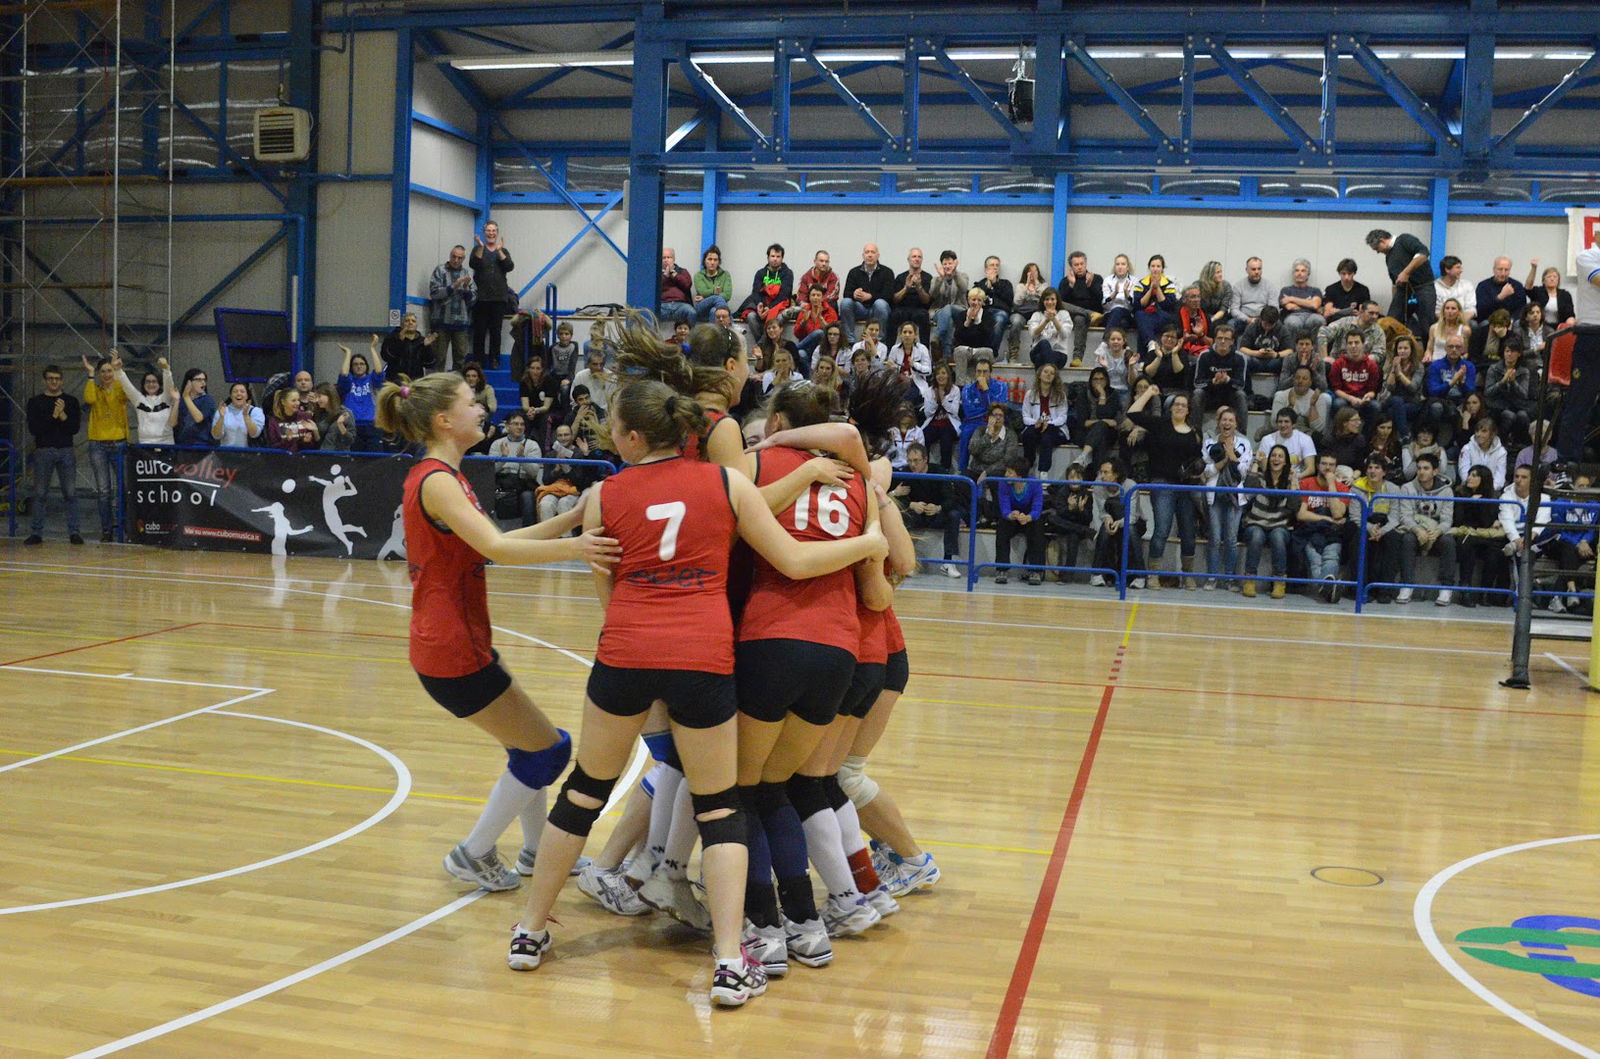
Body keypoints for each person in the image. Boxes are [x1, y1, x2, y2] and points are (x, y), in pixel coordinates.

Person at [509, 378, 886, 1006]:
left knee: (582, 792)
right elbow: (793, 562)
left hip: (626, 651)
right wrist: (867, 543)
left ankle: (527, 930)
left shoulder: (604, 494)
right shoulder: (728, 483)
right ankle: (730, 961)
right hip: (703, 656)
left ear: (632, 436)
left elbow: (609, 593)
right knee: (720, 807)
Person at [1127, 384, 1202, 589]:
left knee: (1188, 532)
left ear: (1188, 411)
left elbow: (1198, 460)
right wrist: (1150, 393)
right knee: (1161, 529)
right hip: (1161, 482)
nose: (1179, 407)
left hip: (1186, 487)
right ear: (1170, 408)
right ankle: (1153, 574)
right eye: (1176, 404)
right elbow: (1132, 413)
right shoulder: (1160, 425)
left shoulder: (1195, 433)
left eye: (1183, 405)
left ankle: (1188, 574)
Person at [24, 364, 83, 545]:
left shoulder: (71, 401)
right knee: (40, 493)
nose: (54, 382)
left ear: (62, 380)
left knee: (71, 493)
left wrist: (62, 415)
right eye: (50, 379)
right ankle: (36, 532)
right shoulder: (35, 402)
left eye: (57, 379)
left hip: (66, 449)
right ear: (45, 381)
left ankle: (74, 532)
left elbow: (74, 428)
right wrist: (53, 416)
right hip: (43, 450)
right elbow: (35, 429)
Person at [893, 442, 964, 577]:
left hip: (935, 514)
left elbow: (952, 498)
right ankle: (907, 561)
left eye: (916, 461)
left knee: (954, 515)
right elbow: (897, 498)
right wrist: (911, 504)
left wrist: (939, 508)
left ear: (925, 460)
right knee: (899, 516)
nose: (912, 465)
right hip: (916, 514)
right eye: (909, 461)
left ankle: (948, 562)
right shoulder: (905, 473)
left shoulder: (939, 472)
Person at [1396, 451, 1458, 605]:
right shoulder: (1407, 488)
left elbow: (1447, 520)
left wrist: (1436, 532)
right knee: (1408, 539)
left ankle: (1446, 588)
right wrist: (1418, 530)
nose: (1421, 472)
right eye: (1419, 468)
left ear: (1435, 471)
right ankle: (1407, 585)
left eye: (1426, 468)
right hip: (1416, 530)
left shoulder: (1446, 491)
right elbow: (1405, 516)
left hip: (1435, 531)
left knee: (1448, 541)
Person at [79, 352, 129, 540]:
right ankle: (107, 530)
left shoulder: (119, 389)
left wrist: (119, 371)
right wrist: (90, 374)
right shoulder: (95, 389)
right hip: (98, 445)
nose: (107, 374)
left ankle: (125, 527)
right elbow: (89, 399)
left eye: (109, 371)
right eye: (103, 372)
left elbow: (128, 393)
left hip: (119, 444)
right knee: (103, 491)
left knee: (123, 489)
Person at [1201, 408, 1253, 589]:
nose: (1227, 424)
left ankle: (1229, 578)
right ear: (1219, 422)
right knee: (1214, 538)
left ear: (1236, 424)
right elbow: (1206, 472)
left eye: (1231, 420)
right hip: (1214, 495)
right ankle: (1212, 577)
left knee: (1231, 538)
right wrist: (1223, 461)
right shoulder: (1209, 443)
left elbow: (1244, 472)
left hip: (1235, 496)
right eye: (1224, 420)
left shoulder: (1244, 444)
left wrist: (1230, 452)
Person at [1240, 443, 1296, 598]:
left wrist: (1295, 482)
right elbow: (1247, 488)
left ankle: (1279, 582)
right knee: (1257, 536)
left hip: (1279, 525)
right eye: (1273, 455)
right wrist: (1256, 463)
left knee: (1278, 537)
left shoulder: (1289, 481)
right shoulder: (1261, 476)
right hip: (1256, 523)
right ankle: (1249, 579)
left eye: (1280, 456)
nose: (1276, 459)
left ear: (1285, 462)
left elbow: (1294, 507)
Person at [1296, 452, 1351, 603]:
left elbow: (1338, 513)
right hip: (1311, 532)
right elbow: (1301, 514)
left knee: (1331, 557)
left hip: (1332, 533)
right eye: (1324, 464)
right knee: (1315, 561)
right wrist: (1326, 518)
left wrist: (1332, 484)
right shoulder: (1306, 484)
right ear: (1318, 465)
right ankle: (1329, 587)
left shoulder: (1342, 488)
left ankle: (1326, 588)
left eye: (1331, 465)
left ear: (1336, 468)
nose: (1327, 468)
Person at [1352, 455, 1404, 603]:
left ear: (1384, 472)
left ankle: (1385, 590)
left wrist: (1382, 531)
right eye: (1370, 468)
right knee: (1358, 538)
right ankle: (1361, 589)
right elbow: (1355, 515)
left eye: (1377, 468)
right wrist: (1369, 528)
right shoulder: (1357, 487)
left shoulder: (1393, 489)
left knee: (1394, 538)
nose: (1372, 471)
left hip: (1385, 526)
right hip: (1364, 524)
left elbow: (1395, 516)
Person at [1449, 464, 1503, 607]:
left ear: (1483, 479)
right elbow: (1459, 520)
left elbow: (1486, 522)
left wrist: (1481, 504)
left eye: (1474, 475)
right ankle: (1464, 590)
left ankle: (1484, 592)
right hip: (1465, 532)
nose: (1469, 478)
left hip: (1483, 533)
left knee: (1494, 550)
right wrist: (1472, 502)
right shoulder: (1460, 493)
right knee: (1467, 545)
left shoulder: (1491, 496)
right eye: (1469, 474)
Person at [1089, 457, 1147, 588]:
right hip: (1112, 519)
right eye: (1101, 472)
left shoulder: (1130, 486)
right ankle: (1096, 574)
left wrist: (1119, 523)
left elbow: (1133, 516)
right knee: (1104, 530)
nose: (1102, 476)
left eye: (1106, 472)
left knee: (1130, 530)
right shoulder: (1098, 485)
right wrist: (1107, 519)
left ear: (1116, 474)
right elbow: (1102, 510)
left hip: (1134, 521)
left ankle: (1140, 575)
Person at [1545, 471, 1597, 613]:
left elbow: (1592, 530)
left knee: (1572, 556)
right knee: (1568, 549)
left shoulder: (1595, 506)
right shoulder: (1560, 503)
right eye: (1581, 485)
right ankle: (1572, 590)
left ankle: (1556, 598)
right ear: (1573, 487)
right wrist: (1578, 543)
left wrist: (1585, 541)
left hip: (1582, 548)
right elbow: (1559, 530)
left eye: (1587, 486)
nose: (1584, 489)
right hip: (1558, 544)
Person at [1366, 228, 1435, 333]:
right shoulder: (1388, 257)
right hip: (1404, 292)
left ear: (1382, 240)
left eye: (1377, 248)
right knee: (1391, 322)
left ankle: (1428, 349)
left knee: (1426, 325)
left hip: (1424, 288)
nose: (1377, 252)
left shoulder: (1404, 240)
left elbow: (1423, 253)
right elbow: (1395, 282)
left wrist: (1406, 272)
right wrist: (1395, 300)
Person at [469, 220, 515, 368]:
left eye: (493, 230)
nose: (491, 233)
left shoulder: (503, 251)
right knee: (479, 331)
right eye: (488, 230)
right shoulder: (477, 249)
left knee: (496, 331)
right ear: (484, 233)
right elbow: (474, 264)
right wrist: (481, 247)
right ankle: (478, 360)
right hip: (481, 298)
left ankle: (495, 359)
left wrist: (499, 250)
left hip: (499, 298)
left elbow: (509, 266)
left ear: (497, 232)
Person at [993, 458, 1044, 585]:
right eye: (1006, 471)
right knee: (1002, 527)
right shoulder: (1003, 483)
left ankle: (1036, 570)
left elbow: (1037, 507)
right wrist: (1010, 515)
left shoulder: (1035, 483)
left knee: (1037, 528)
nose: (1006, 475)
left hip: (1029, 518)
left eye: (1010, 472)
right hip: (1013, 517)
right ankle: (1001, 569)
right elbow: (1004, 507)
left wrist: (1028, 517)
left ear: (1019, 474)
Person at [490, 411, 542, 527]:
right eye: (516, 424)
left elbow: (534, 473)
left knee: (528, 497)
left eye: (522, 424)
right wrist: (503, 458)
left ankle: (529, 535)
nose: (519, 427)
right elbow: (491, 471)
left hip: (524, 484)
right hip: (501, 482)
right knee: (485, 491)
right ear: (507, 426)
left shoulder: (532, 445)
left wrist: (522, 459)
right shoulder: (497, 444)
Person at [427, 245, 475, 371]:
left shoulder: (467, 273)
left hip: (461, 323)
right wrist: (453, 286)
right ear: (450, 255)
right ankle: (438, 387)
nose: (456, 260)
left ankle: (456, 387)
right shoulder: (440, 270)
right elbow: (434, 293)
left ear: (463, 259)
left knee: (461, 359)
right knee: (439, 358)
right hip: (441, 321)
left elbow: (473, 299)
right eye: (454, 256)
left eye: (460, 258)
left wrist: (466, 289)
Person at [112, 356, 178, 445]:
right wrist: (118, 370)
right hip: (145, 444)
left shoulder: (166, 398)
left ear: (159, 384)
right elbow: (127, 386)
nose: (151, 384)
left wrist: (166, 369)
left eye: (154, 381)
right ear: (143, 384)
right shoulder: (138, 399)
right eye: (148, 382)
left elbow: (169, 385)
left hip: (167, 443)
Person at [1328, 329, 1384, 431]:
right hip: (1345, 398)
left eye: (1357, 342)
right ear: (1346, 345)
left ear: (1363, 344)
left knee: (1376, 406)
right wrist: (1351, 398)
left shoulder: (1371, 365)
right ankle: (1338, 434)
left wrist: (1367, 397)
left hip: (1363, 399)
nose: (1353, 346)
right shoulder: (1338, 363)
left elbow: (1372, 391)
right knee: (1338, 404)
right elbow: (1336, 389)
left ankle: (1366, 438)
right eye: (1350, 343)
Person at [958, 358, 1007, 470]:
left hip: (996, 422)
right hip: (973, 423)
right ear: (975, 373)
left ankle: (997, 471)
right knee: (966, 433)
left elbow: (998, 410)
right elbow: (969, 413)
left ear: (990, 373)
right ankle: (962, 470)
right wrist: (988, 411)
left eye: (985, 371)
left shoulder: (1001, 387)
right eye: (979, 371)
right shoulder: (967, 390)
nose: (981, 375)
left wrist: (986, 390)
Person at [1192, 324, 1247, 425]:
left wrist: (1227, 380)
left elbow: (1241, 385)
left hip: (1229, 395)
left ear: (1232, 341)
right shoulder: (1204, 356)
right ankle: (1195, 432)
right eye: (1220, 338)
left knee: (1241, 395)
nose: (1222, 341)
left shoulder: (1239, 357)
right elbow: (1197, 383)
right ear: (1214, 340)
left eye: (1226, 339)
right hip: (1210, 394)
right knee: (1197, 393)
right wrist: (1212, 381)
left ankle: (1242, 435)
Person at [1424, 334, 1477, 438]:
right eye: (1450, 346)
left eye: (1458, 347)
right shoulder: (1436, 365)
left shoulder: (1468, 366)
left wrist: (1462, 383)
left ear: (1462, 349)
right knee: (1436, 407)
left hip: (1461, 400)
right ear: (1445, 348)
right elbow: (1433, 391)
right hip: (1442, 400)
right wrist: (1452, 382)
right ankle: (1434, 435)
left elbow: (1471, 392)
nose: (1454, 349)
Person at [1020, 361, 1069, 473]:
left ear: (1055, 377)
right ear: (1039, 375)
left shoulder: (1061, 395)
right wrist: (1036, 422)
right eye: (1046, 372)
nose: (1048, 374)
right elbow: (1025, 416)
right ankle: (1028, 468)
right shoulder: (1030, 394)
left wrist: (1049, 423)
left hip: (1055, 428)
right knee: (1028, 435)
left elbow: (1062, 417)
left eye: (1052, 373)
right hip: (1036, 426)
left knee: (1047, 437)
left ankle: (1043, 472)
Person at [1055, 251, 1103, 362]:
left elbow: (1102, 301)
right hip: (1073, 315)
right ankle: (1089, 314)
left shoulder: (1096, 279)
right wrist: (1070, 286)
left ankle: (1077, 357)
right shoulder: (1065, 281)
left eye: (1082, 264)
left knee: (1080, 318)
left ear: (1086, 264)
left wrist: (1090, 286)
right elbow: (1060, 304)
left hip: (1093, 314)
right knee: (1058, 302)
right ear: (1071, 267)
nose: (1080, 267)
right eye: (1076, 265)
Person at [840, 243, 894, 342]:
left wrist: (870, 296)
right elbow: (846, 293)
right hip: (860, 309)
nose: (869, 255)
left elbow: (889, 296)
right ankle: (849, 341)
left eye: (873, 252)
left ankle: (879, 341)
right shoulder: (854, 272)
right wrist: (854, 294)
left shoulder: (887, 272)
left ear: (878, 255)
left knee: (881, 303)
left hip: (878, 310)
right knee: (845, 302)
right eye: (867, 252)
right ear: (863, 255)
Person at [337, 341, 385, 451]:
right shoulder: (348, 381)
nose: (359, 366)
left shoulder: (372, 380)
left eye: (362, 364)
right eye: (355, 364)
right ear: (351, 367)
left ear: (366, 366)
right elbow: (344, 373)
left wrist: (372, 348)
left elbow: (378, 371)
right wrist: (348, 353)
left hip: (372, 425)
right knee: (355, 460)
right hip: (352, 425)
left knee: (374, 458)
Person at [1485, 342, 1534, 446]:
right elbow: (1488, 392)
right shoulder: (1494, 369)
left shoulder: (1524, 371)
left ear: (1519, 354)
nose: (1509, 354)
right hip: (1498, 405)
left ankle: (1519, 444)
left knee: (1523, 416)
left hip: (1516, 405)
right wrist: (1502, 382)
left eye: (1513, 351)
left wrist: (1513, 382)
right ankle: (1501, 443)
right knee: (1509, 415)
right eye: (1507, 351)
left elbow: (1524, 394)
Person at [738, 243, 795, 332]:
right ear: (768, 257)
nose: (775, 259)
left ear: (782, 258)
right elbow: (756, 292)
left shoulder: (788, 273)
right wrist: (760, 306)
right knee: (751, 316)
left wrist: (770, 308)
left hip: (778, 306)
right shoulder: (760, 273)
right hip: (762, 306)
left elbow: (784, 295)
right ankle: (764, 343)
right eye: (772, 256)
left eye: (778, 256)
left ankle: (762, 344)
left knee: (779, 318)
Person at [1076, 364, 1123, 470]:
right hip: (1086, 432)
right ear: (1091, 381)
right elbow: (1082, 422)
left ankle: (1084, 455)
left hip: (1109, 433)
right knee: (1100, 436)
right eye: (1095, 379)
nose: (1098, 382)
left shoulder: (1113, 394)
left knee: (1102, 431)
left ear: (1106, 381)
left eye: (1102, 379)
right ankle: (1098, 475)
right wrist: (1103, 421)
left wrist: (1102, 395)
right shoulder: (1083, 395)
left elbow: (1113, 420)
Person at [1271, 363, 1333, 439]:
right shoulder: (1281, 396)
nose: (1300, 381)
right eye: (1297, 378)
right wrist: (1290, 405)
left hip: (1308, 435)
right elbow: (1275, 424)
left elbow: (1318, 429)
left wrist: (1312, 405)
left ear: (1310, 382)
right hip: (1285, 434)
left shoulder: (1318, 398)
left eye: (1304, 378)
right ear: (1293, 380)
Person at [1132, 254, 1179, 351]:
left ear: (1162, 269)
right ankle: (1150, 343)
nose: (1155, 269)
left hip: (1163, 315)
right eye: (1153, 266)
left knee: (1144, 325)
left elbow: (1167, 305)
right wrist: (1150, 289)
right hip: (1146, 315)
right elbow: (1139, 305)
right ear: (1149, 268)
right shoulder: (1141, 283)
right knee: (1140, 315)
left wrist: (1157, 288)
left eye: (1158, 266)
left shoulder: (1169, 284)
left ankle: (1147, 349)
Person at [887, 247, 933, 343]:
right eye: (914, 256)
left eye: (919, 257)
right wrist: (906, 288)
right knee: (893, 315)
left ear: (922, 260)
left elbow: (927, 301)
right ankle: (889, 351)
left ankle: (924, 351)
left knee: (924, 316)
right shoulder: (900, 277)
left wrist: (919, 287)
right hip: (902, 309)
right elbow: (895, 299)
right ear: (908, 259)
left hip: (920, 309)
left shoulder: (928, 277)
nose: (917, 259)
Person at [927, 250, 969, 354]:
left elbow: (963, 289)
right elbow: (932, 294)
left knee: (949, 308)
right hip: (939, 312)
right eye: (945, 264)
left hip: (959, 310)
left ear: (955, 263)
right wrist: (941, 279)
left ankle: (937, 336)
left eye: (950, 263)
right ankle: (947, 353)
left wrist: (955, 275)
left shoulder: (963, 276)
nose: (947, 266)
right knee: (948, 319)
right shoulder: (936, 279)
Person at [1256, 408, 1316, 479]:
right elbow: (1265, 467)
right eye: (1280, 422)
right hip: (1272, 479)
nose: (1283, 425)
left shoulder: (1305, 439)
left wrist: (1295, 477)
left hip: (1297, 479)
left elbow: (1311, 468)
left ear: (1293, 424)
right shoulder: (1267, 439)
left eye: (1286, 421)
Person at [922, 362, 961, 467]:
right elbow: (927, 413)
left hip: (949, 423)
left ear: (948, 375)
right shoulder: (929, 391)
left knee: (946, 438)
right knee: (924, 436)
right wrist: (935, 400)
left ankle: (946, 471)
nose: (941, 376)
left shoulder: (955, 390)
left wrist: (943, 400)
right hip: (933, 422)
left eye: (943, 373)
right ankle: (924, 468)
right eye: (938, 374)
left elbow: (954, 411)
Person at [380, 312, 439, 381]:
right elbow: (386, 357)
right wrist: (399, 341)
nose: (410, 323)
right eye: (407, 321)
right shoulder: (392, 338)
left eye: (413, 321)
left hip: (415, 381)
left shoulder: (422, 341)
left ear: (416, 325)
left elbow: (430, 364)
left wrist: (427, 347)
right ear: (402, 324)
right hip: (395, 381)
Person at [973, 255, 1014, 354]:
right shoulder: (979, 284)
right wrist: (988, 286)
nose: (995, 267)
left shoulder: (1006, 284)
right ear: (986, 269)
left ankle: (992, 353)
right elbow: (974, 299)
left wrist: (995, 283)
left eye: (997, 265)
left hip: (1000, 312)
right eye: (992, 265)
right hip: (983, 312)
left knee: (999, 319)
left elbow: (1009, 300)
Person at [950, 287, 995, 376]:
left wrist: (978, 321)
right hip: (965, 349)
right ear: (968, 300)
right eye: (973, 300)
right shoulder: (962, 315)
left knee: (985, 352)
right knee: (960, 351)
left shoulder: (988, 315)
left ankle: (983, 383)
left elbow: (988, 337)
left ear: (983, 302)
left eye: (979, 300)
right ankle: (961, 384)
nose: (976, 303)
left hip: (982, 348)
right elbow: (957, 337)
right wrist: (967, 322)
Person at [1277, 258, 1324, 342]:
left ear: (1308, 274)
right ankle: (1292, 352)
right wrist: (1308, 304)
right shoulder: (1286, 290)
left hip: (1311, 316)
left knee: (1319, 320)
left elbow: (1315, 305)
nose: (1299, 273)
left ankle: (1315, 353)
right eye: (1297, 270)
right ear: (1293, 273)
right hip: (1293, 316)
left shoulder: (1315, 290)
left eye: (1303, 271)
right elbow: (1290, 307)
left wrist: (1292, 298)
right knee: (1293, 323)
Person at [1026, 287, 1073, 369]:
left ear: (1057, 300)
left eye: (1052, 299)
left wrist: (1054, 319)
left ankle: (1041, 380)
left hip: (1059, 353)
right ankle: (1054, 378)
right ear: (1043, 301)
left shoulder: (1064, 314)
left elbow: (1065, 334)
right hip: (1037, 350)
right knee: (1044, 343)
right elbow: (1033, 334)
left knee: (1039, 359)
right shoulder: (1036, 315)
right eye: (1047, 299)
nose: (1050, 302)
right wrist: (1046, 321)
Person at [519, 356, 562, 445]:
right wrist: (530, 411)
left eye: (538, 368)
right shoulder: (524, 382)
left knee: (546, 419)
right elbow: (525, 405)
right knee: (519, 416)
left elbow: (546, 407)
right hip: (533, 410)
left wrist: (535, 411)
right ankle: (522, 446)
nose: (535, 371)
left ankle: (544, 450)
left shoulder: (549, 381)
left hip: (551, 411)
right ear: (528, 369)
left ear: (542, 369)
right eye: (532, 368)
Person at [1007, 262, 1047, 358]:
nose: (1033, 273)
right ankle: (1013, 352)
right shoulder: (1021, 286)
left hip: (1037, 312)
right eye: (1030, 271)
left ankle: (1037, 351)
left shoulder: (1043, 285)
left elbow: (1044, 298)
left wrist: (1036, 285)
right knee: (1016, 322)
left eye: (1035, 271)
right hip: (1021, 312)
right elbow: (1017, 302)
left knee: (1042, 323)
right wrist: (1027, 286)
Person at [1457, 416, 1508, 491]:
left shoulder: (1501, 452)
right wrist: (1474, 487)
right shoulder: (1467, 448)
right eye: (1477, 431)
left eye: (1484, 431)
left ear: (1493, 434)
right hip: (1469, 489)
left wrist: (1487, 490)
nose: (1478, 434)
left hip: (1491, 491)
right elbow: (1464, 473)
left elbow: (1500, 477)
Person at [1228, 256, 1277, 331]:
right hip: (1243, 319)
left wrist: (1263, 320)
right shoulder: (1238, 286)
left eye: (1259, 269)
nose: (1257, 272)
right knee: (1230, 324)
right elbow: (1234, 309)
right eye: (1253, 269)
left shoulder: (1269, 286)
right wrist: (1248, 319)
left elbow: (1274, 308)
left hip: (1264, 320)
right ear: (1246, 270)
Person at [793, 285, 840, 363]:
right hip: (807, 347)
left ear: (822, 298)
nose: (815, 298)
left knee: (819, 333)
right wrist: (803, 323)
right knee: (801, 354)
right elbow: (797, 334)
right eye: (813, 295)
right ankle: (808, 374)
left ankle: (792, 349)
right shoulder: (805, 310)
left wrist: (821, 318)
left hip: (824, 347)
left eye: (818, 295)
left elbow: (832, 333)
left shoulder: (830, 311)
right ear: (809, 297)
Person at [1475, 256, 1527, 325]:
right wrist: (1500, 297)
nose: (1503, 273)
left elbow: (1521, 308)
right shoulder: (1483, 286)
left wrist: (1511, 320)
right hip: (1489, 320)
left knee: (1519, 324)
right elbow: (1481, 310)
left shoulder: (1517, 286)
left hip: (1511, 320)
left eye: (1506, 270)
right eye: (1500, 269)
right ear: (1494, 270)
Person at [211, 381, 264, 448]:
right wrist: (221, 417)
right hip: (226, 454)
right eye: (235, 391)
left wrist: (246, 416)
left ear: (247, 396)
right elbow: (216, 436)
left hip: (250, 455)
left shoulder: (256, 411)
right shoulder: (222, 410)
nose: (238, 394)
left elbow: (255, 434)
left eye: (242, 391)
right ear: (230, 396)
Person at [265, 387, 319, 453]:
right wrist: (287, 440)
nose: (297, 403)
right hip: (281, 459)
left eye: (298, 400)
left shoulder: (306, 417)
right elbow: (273, 447)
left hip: (303, 459)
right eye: (293, 400)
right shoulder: (274, 421)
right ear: (283, 402)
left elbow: (313, 446)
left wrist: (306, 442)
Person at [691, 244, 734, 322]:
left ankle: (715, 334)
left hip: (717, 306)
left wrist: (706, 297)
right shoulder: (698, 275)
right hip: (702, 307)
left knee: (714, 311)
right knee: (717, 298)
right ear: (705, 261)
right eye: (709, 259)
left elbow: (727, 295)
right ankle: (732, 324)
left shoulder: (725, 274)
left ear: (719, 262)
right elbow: (702, 291)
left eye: (715, 260)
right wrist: (714, 292)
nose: (712, 262)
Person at [1524, 260, 1574, 327]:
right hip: (1540, 326)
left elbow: (1570, 314)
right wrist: (1534, 268)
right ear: (1543, 280)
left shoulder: (1565, 295)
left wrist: (1570, 322)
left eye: (1555, 277)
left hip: (1559, 328)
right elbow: (1528, 286)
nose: (1552, 279)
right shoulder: (1538, 291)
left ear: (1558, 280)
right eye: (1549, 277)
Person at [174, 368, 214, 447]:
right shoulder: (181, 401)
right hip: (182, 445)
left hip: (202, 446)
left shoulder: (208, 400)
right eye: (198, 380)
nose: (203, 382)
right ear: (189, 382)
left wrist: (186, 397)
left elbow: (198, 418)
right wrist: (176, 401)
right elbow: (172, 423)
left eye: (204, 380)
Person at [656, 246, 695, 329]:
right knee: (649, 313)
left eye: (669, 257)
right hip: (662, 305)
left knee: (692, 312)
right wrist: (665, 276)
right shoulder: (656, 273)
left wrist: (674, 274)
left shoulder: (682, 271)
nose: (666, 260)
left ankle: (692, 339)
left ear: (673, 259)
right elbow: (654, 288)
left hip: (680, 305)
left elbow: (687, 285)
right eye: (663, 258)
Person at [1322, 258, 1370, 322]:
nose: (1346, 277)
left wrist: (1359, 314)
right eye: (1343, 274)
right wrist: (1341, 312)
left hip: (1354, 322)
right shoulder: (1331, 289)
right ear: (1339, 273)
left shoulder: (1363, 290)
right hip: (1335, 322)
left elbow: (1365, 312)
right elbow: (1327, 314)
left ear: (1354, 273)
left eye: (1349, 274)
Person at [1100, 253, 1138, 336]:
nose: (1120, 267)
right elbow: (1104, 305)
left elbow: (1133, 306)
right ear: (1114, 267)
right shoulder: (1108, 280)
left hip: (1127, 314)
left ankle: (1104, 342)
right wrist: (1114, 293)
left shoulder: (1134, 281)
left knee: (1118, 310)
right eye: (1117, 264)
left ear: (1128, 267)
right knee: (1122, 323)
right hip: (1109, 315)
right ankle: (1124, 347)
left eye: (1123, 264)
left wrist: (1127, 294)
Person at [309, 382, 355, 451]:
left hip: (340, 456)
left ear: (330, 395)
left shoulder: (345, 413)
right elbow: (319, 441)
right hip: (323, 455)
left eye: (319, 396)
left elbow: (350, 441)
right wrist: (315, 431)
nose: (317, 400)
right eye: (316, 397)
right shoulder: (319, 414)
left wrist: (340, 425)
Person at [570, 349, 616, 416]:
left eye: (601, 364)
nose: (599, 368)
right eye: (595, 364)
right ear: (588, 364)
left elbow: (614, 402)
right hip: (584, 413)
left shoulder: (612, 377)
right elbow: (573, 400)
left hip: (606, 415)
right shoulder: (580, 376)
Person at [1434, 255, 1476, 325]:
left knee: (1473, 325)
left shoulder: (1467, 285)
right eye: (1458, 268)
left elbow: (1471, 309)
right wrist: (1449, 323)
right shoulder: (1435, 287)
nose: (1461, 270)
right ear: (1447, 269)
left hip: (1463, 321)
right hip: (1442, 321)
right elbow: (1436, 311)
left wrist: (1459, 323)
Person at [795, 248, 840, 313]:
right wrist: (804, 304)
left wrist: (815, 304)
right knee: (799, 306)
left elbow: (831, 296)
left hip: (825, 306)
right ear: (815, 261)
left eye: (826, 261)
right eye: (821, 261)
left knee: (832, 304)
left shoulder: (833, 277)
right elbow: (801, 294)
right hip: (808, 306)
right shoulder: (806, 276)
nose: (824, 264)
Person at [1195, 259, 1235, 329]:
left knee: (1215, 325)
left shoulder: (1226, 286)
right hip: (1201, 315)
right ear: (1209, 274)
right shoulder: (1198, 285)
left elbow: (1223, 309)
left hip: (1219, 317)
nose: (1221, 275)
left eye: (1221, 272)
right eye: (1218, 272)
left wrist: (1211, 320)